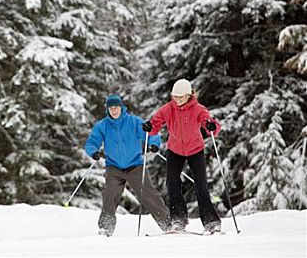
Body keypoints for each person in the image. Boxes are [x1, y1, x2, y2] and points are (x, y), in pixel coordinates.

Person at [142, 79, 222, 233]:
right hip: (175, 150)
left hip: (195, 149)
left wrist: (212, 127)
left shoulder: (198, 109)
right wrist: (150, 127)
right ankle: (178, 219)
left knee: (201, 185)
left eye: (180, 97)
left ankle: (211, 222)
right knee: (172, 184)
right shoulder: (168, 109)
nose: (177, 100)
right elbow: (155, 123)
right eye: (175, 96)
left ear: (189, 95)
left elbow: (210, 123)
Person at [85, 94, 170, 236]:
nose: (114, 110)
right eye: (111, 108)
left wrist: (154, 144)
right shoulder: (103, 125)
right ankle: (106, 228)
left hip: (135, 165)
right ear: (107, 109)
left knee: (149, 194)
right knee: (110, 194)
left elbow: (151, 132)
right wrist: (93, 151)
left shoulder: (133, 121)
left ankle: (167, 224)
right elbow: (92, 142)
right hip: (114, 167)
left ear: (121, 107)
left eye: (116, 107)